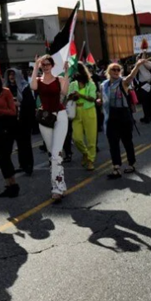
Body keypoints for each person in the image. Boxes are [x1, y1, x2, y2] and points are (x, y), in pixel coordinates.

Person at [31, 56, 70, 201]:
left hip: (60, 116)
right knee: (52, 154)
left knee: (55, 153)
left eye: (48, 64)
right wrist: (35, 66)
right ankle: (61, 184)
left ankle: (57, 188)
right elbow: (32, 86)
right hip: (45, 118)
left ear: (52, 65)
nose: (45, 66)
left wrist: (66, 74)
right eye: (43, 64)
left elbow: (65, 93)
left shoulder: (59, 80)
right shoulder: (38, 81)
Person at [102, 60, 143, 179]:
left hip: (123, 115)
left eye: (118, 70)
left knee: (126, 141)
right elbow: (103, 98)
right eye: (113, 69)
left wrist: (137, 65)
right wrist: (100, 101)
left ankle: (132, 163)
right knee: (113, 143)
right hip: (110, 115)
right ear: (108, 71)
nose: (116, 72)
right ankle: (116, 167)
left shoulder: (123, 82)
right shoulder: (104, 85)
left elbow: (131, 77)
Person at [67, 65, 99, 171]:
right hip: (76, 112)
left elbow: (92, 98)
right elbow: (68, 97)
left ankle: (91, 160)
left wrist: (80, 95)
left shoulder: (91, 84)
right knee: (76, 138)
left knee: (91, 139)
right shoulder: (73, 84)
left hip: (89, 111)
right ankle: (85, 153)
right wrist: (72, 96)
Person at [6, 68, 35, 175]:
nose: (11, 77)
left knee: (26, 143)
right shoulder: (6, 88)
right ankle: (22, 164)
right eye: (9, 75)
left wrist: (20, 104)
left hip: (24, 119)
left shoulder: (24, 87)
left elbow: (30, 103)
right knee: (18, 143)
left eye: (13, 74)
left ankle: (28, 166)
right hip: (12, 120)